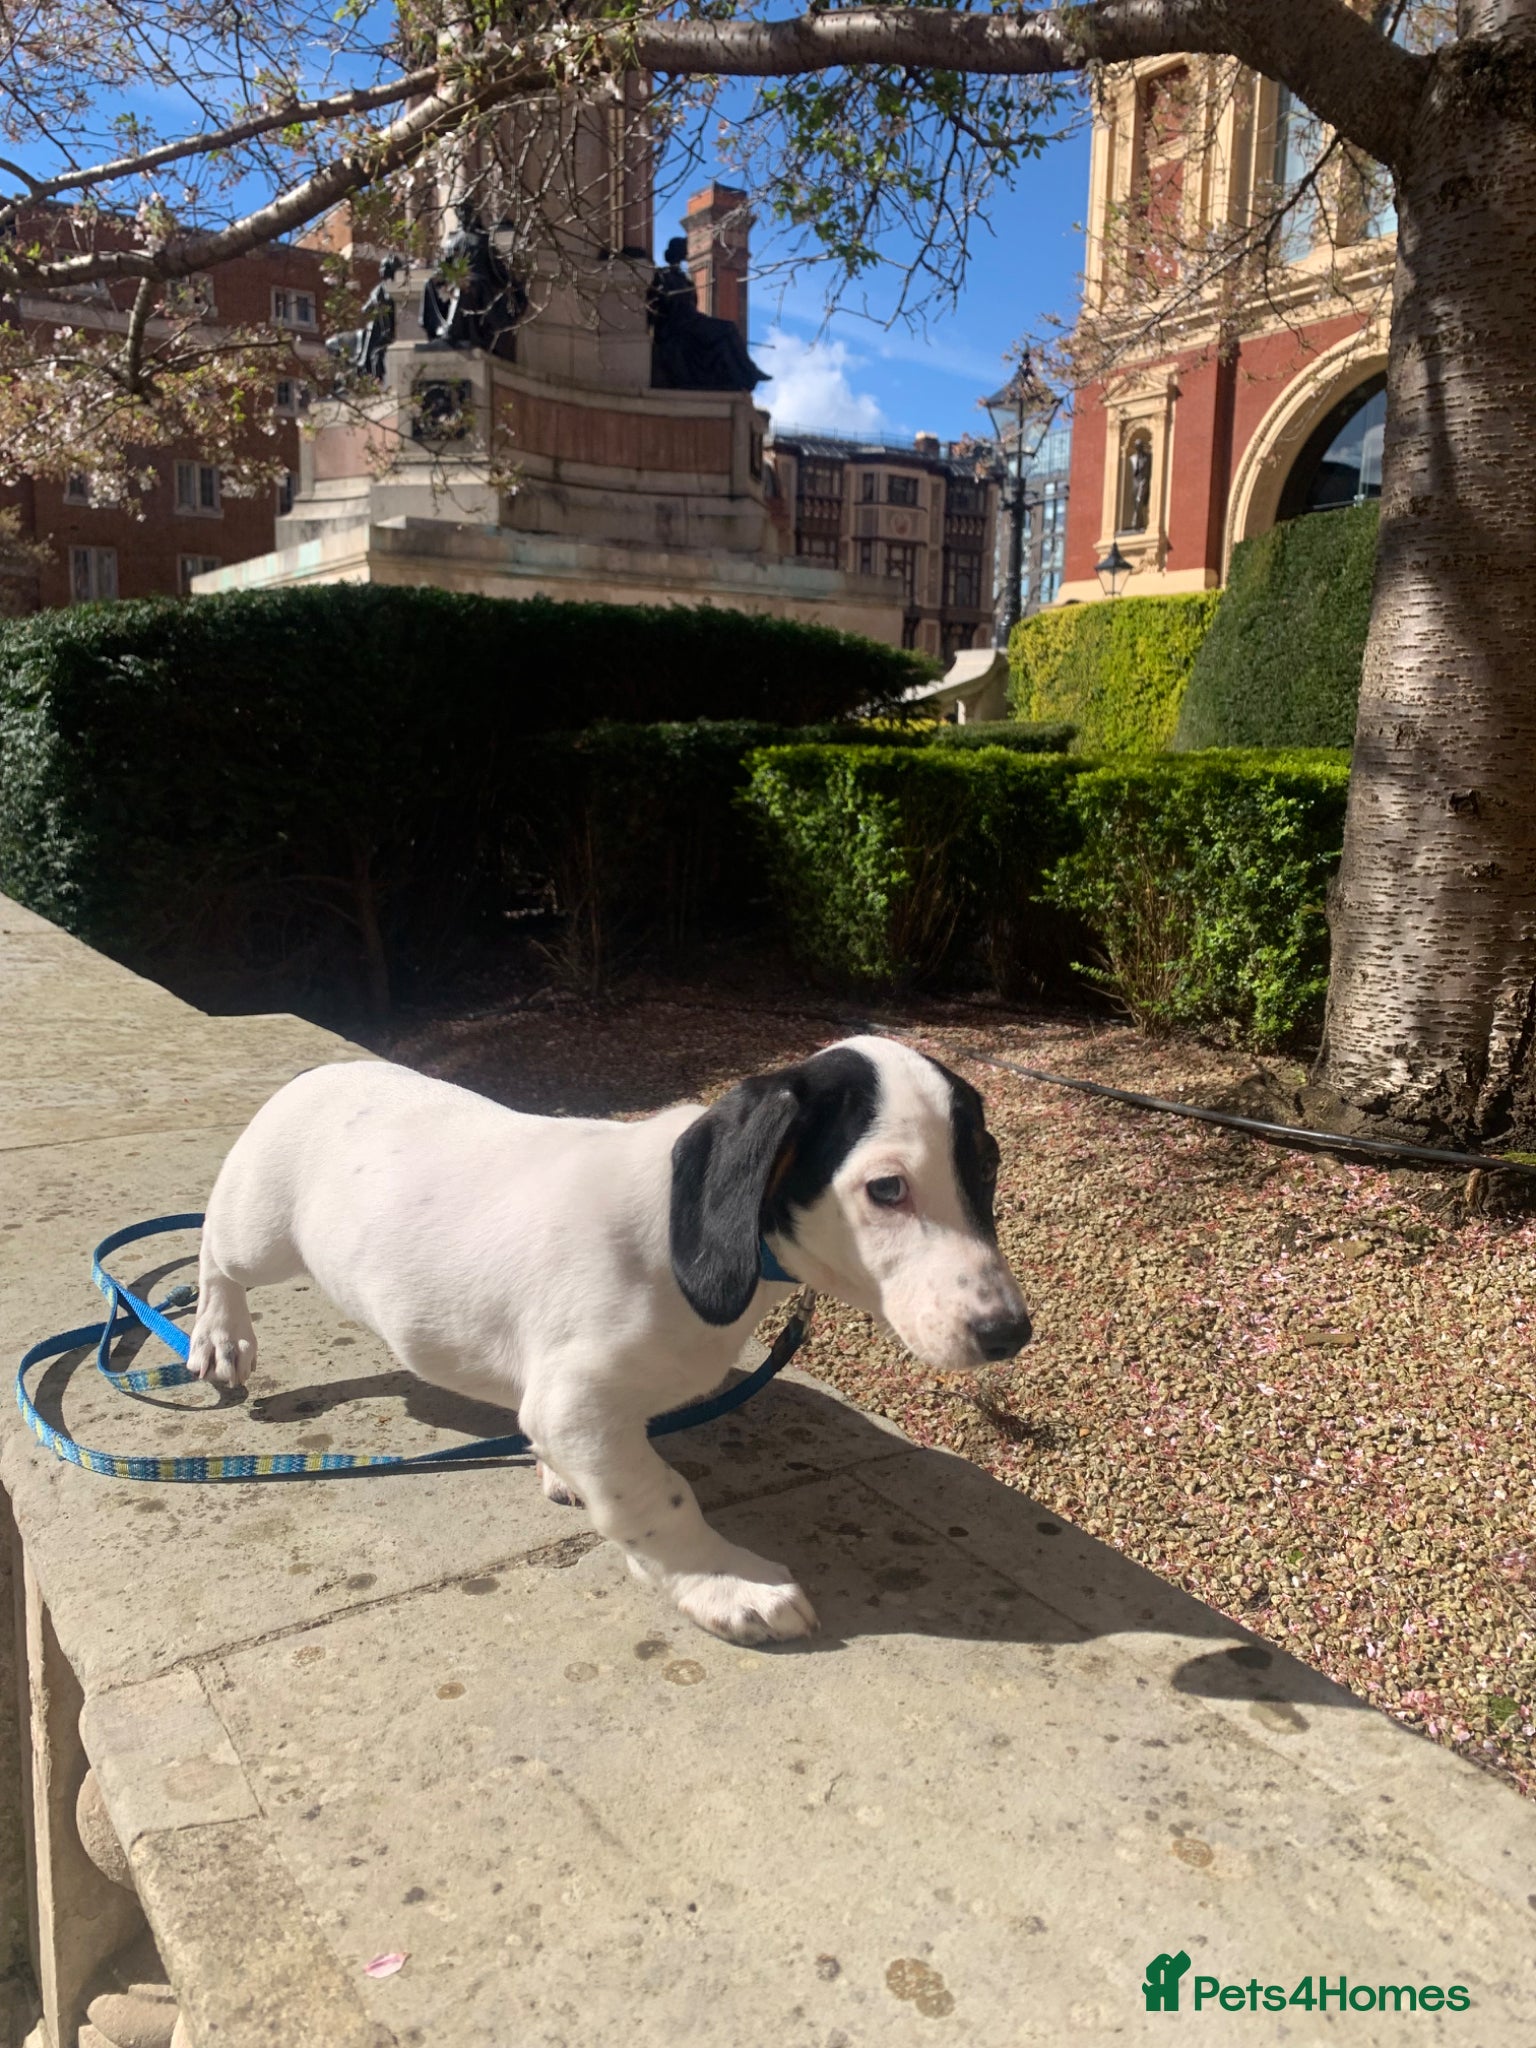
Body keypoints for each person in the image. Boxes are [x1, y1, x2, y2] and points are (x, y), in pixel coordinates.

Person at [646, 236, 767, 392]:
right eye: (683, 249)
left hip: (692, 321)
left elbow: (693, 304)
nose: (686, 253)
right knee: (728, 328)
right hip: (678, 324)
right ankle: (749, 373)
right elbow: (657, 305)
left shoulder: (685, 280)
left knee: (726, 332)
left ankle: (744, 375)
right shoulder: (662, 277)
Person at [420, 204, 525, 358]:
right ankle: (438, 328)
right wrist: (438, 276)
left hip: (480, 286)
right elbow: (443, 268)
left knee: (466, 285)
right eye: (461, 212)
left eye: (466, 211)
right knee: (429, 283)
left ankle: (453, 332)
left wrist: (513, 285)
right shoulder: (453, 241)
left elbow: (497, 270)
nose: (464, 215)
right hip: (455, 281)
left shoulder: (483, 240)